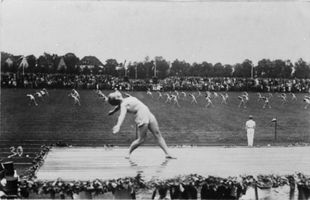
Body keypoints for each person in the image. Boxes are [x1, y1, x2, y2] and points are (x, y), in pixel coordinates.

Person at [107, 91, 175, 159]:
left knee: (157, 134)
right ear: (117, 97)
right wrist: (118, 125)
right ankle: (128, 153)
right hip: (141, 115)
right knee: (141, 139)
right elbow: (122, 115)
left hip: (147, 112)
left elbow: (117, 107)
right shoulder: (123, 105)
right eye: (115, 93)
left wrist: (113, 111)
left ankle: (167, 153)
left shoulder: (125, 99)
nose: (116, 92)